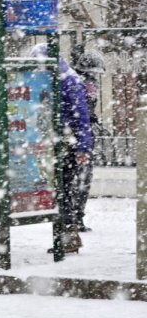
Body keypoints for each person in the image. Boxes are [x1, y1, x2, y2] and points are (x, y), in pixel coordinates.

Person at [30, 43, 92, 253]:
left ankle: (68, 236)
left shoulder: (68, 81)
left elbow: (81, 117)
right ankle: (68, 235)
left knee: (63, 190)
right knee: (62, 190)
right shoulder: (60, 79)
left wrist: (82, 147)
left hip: (66, 144)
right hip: (60, 143)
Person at [74, 50, 106, 233]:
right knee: (80, 179)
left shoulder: (87, 84)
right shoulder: (78, 84)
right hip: (79, 140)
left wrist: (94, 121)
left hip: (83, 138)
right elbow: (79, 112)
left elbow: (86, 112)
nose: (94, 77)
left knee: (83, 179)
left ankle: (77, 217)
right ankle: (74, 218)